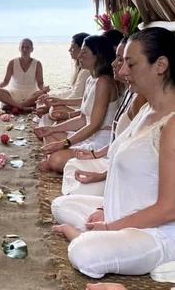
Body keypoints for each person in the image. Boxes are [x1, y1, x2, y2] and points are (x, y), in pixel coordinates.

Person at [51, 27, 175, 281]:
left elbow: (168, 209)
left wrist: (109, 226)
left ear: (160, 65)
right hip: (124, 214)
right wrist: (107, 209)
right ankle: (98, 235)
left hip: (158, 231)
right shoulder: (146, 110)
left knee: (85, 253)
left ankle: (87, 239)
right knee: (62, 204)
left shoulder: (172, 123)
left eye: (131, 63)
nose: (122, 70)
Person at [61, 37, 146, 196]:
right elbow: (120, 139)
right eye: (118, 59)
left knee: (63, 201)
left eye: (125, 61)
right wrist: (95, 155)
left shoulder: (140, 100)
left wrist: (101, 170)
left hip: (115, 164)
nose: (114, 64)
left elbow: (99, 127)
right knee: (70, 167)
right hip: (109, 156)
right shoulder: (130, 92)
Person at [35, 35, 118, 172]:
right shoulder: (91, 80)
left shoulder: (104, 82)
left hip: (100, 141)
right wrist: (52, 129)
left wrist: (64, 144)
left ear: (97, 55)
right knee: (48, 134)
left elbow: (94, 125)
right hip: (89, 136)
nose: (79, 55)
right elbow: (83, 119)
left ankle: (56, 161)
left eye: (84, 52)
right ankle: (57, 160)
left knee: (55, 160)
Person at [37, 32, 90, 123]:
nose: (69, 50)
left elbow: (77, 96)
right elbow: (72, 90)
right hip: (77, 104)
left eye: (73, 47)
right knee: (44, 104)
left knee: (53, 110)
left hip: (80, 107)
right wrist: (51, 96)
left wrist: (54, 103)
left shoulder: (86, 71)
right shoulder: (80, 68)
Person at [0, 38, 48, 111]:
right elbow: (5, 82)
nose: (24, 49)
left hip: (31, 94)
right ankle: (22, 108)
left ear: (32, 49)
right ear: (19, 48)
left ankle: (14, 106)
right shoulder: (12, 62)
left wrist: (44, 88)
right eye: (22, 47)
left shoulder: (37, 64)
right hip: (14, 93)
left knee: (43, 94)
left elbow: (40, 83)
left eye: (27, 47)